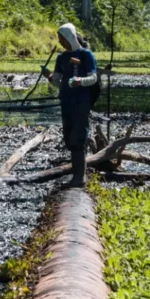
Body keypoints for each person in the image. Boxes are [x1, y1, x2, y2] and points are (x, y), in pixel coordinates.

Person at [42, 23, 98, 187]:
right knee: (68, 136)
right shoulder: (61, 58)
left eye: (62, 39)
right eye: (59, 39)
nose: (61, 43)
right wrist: (49, 76)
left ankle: (79, 178)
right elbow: (58, 82)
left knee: (78, 137)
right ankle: (77, 175)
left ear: (70, 37)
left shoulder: (86, 55)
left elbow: (93, 77)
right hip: (66, 101)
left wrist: (80, 81)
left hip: (81, 101)